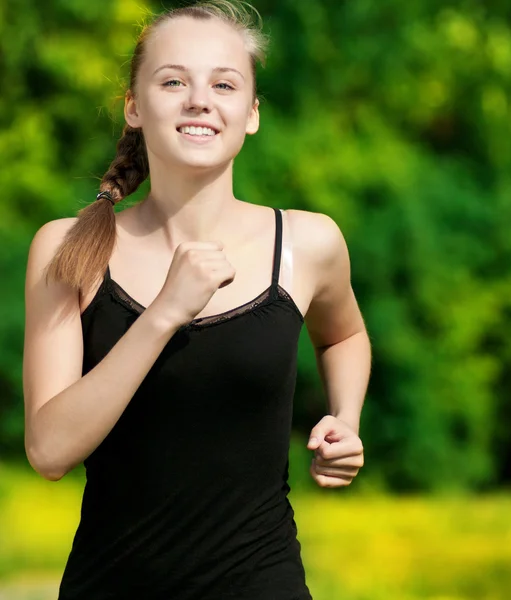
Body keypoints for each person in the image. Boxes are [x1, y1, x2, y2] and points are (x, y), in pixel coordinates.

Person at [22, 1, 371, 598]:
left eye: (225, 83)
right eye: (174, 80)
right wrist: (163, 313)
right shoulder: (68, 248)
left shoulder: (309, 243)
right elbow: (49, 450)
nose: (199, 99)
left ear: (252, 113)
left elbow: (345, 335)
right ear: (134, 106)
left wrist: (345, 416)